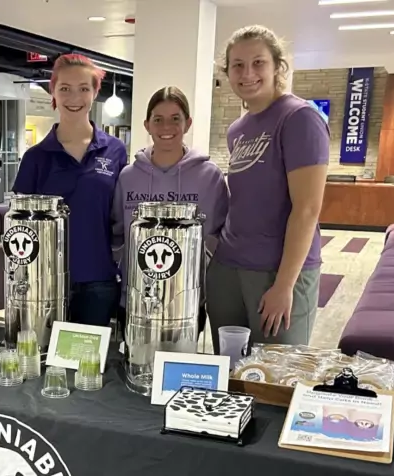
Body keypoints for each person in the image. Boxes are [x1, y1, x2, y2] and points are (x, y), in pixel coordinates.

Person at [207, 25, 330, 352]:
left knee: (274, 374)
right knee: (229, 368)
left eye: (258, 62)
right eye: (237, 65)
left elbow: (307, 210)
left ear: (278, 66)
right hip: (229, 266)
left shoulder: (300, 118)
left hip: (278, 271)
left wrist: (284, 284)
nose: (247, 73)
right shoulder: (238, 129)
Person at [12, 54, 129, 327]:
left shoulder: (115, 151)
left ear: (95, 93)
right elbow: (19, 229)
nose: (74, 97)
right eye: (64, 88)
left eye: (83, 89)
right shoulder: (36, 158)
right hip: (45, 282)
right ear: (52, 91)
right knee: (45, 366)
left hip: (98, 279)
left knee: (89, 365)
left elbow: (121, 216)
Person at [111, 86, 228, 338]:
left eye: (176, 119)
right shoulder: (128, 177)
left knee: (178, 373)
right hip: (134, 300)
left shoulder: (210, 177)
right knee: (134, 371)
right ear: (147, 124)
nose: (167, 127)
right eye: (158, 119)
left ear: (187, 124)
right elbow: (118, 233)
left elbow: (219, 235)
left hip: (186, 300)